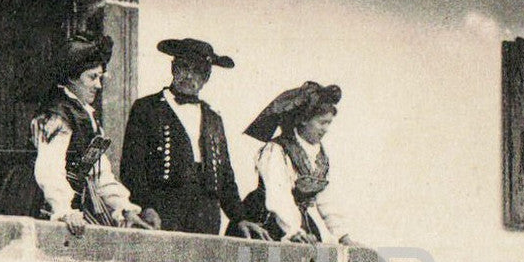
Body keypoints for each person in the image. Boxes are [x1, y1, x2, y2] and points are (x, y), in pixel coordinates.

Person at [5, 34, 157, 235]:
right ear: (71, 78)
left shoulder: (85, 115)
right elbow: (49, 169)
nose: (98, 85)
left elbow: (99, 172)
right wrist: (63, 210)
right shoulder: (56, 115)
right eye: (92, 77)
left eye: (100, 77)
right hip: (40, 198)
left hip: (76, 200)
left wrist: (124, 207)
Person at [119, 38, 265, 238]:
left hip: (206, 216)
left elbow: (225, 176)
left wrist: (239, 218)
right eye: (184, 67)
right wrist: (145, 206)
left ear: (207, 77)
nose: (189, 76)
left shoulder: (213, 118)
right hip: (162, 212)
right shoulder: (147, 108)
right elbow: (132, 167)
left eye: (198, 71)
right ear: (173, 68)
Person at [235, 81, 352, 243]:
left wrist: (343, 236)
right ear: (304, 119)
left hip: (296, 219)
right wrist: (293, 230)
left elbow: (326, 197)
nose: (326, 129)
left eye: (329, 123)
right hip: (267, 217)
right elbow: (278, 194)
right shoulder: (276, 149)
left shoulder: (320, 155)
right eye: (322, 122)